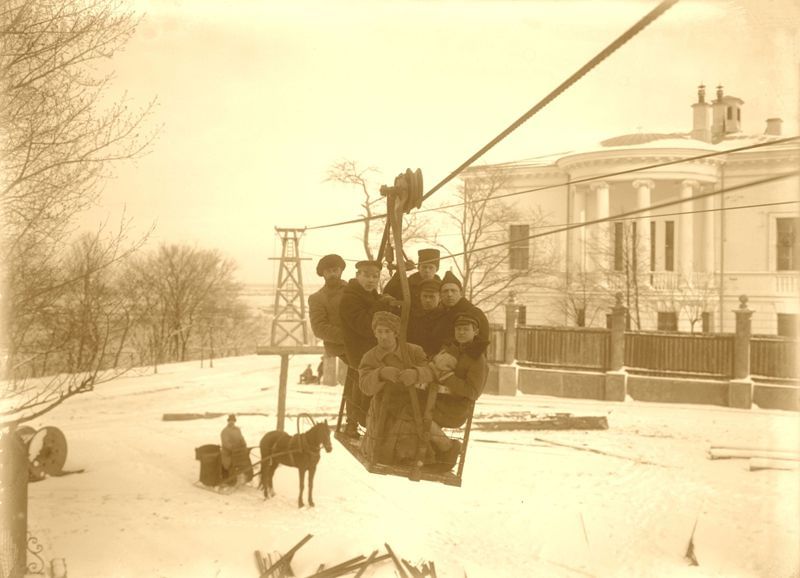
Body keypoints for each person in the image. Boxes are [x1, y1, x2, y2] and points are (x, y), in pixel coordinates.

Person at [358, 311, 435, 465]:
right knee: (379, 443)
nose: (383, 336)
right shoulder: (370, 357)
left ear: (396, 333)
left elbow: (431, 372)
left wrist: (416, 374)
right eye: (379, 331)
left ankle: (415, 457)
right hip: (382, 407)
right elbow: (365, 387)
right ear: (374, 333)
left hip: (412, 403)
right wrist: (380, 374)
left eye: (387, 331)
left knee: (413, 427)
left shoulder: (414, 351)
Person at [427, 311, 489, 470]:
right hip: (439, 401)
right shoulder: (452, 349)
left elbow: (473, 392)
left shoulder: (477, 358)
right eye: (458, 329)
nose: (461, 333)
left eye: (466, 329)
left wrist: (447, 378)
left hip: (456, 408)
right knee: (408, 406)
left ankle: (449, 448)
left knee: (420, 415)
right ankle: (429, 456)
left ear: (475, 332)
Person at [339, 260, 391, 437]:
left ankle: (364, 423)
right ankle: (354, 424)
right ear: (357, 276)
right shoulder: (349, 298)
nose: (371, 280)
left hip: (371, 351)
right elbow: (365, 324)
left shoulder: (371, 296)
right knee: (359, 389)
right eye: (367, 275)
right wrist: (382, 304)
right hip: (358, 352)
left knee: (364, 389)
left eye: (375, 276)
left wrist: (384, 301)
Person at [431, 270, 491, 357]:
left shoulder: (474, 313)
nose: (449, 294)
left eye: (453, 291)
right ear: (440, 295)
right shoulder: (440, 314)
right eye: (445, 291)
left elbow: (480, 344)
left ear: (461, 293)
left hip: (466, 365)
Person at [308, 254, 348, 359]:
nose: (332, 274)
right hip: (340, 351)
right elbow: (319, 328)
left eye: (335, 270)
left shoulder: (354, 290)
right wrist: (349, 336)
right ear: (323, 274)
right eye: (328, 271)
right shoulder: (317, 298)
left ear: (341, 271)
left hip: (364, 345)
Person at [407, 277, 446, 357]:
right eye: (425, 296)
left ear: (440, 298)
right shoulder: (413, 316)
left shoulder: (445, 317)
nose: (428, 300)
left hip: (437, 359)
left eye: (432, 297)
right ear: (420, 296)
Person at [220, 414, 248, 483]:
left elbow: (241, 438)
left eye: (233, 421)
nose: (231, 422)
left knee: (245, 459)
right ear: (228, 421)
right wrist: (233, 448)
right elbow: (225, 442)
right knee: (228, 462)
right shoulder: (225, 431)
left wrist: (244, 444)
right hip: (227, 451)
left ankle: (242, 475)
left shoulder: (237, 429)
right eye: (230, 421)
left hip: (237, 451)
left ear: (234, 421)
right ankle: (227, 477)